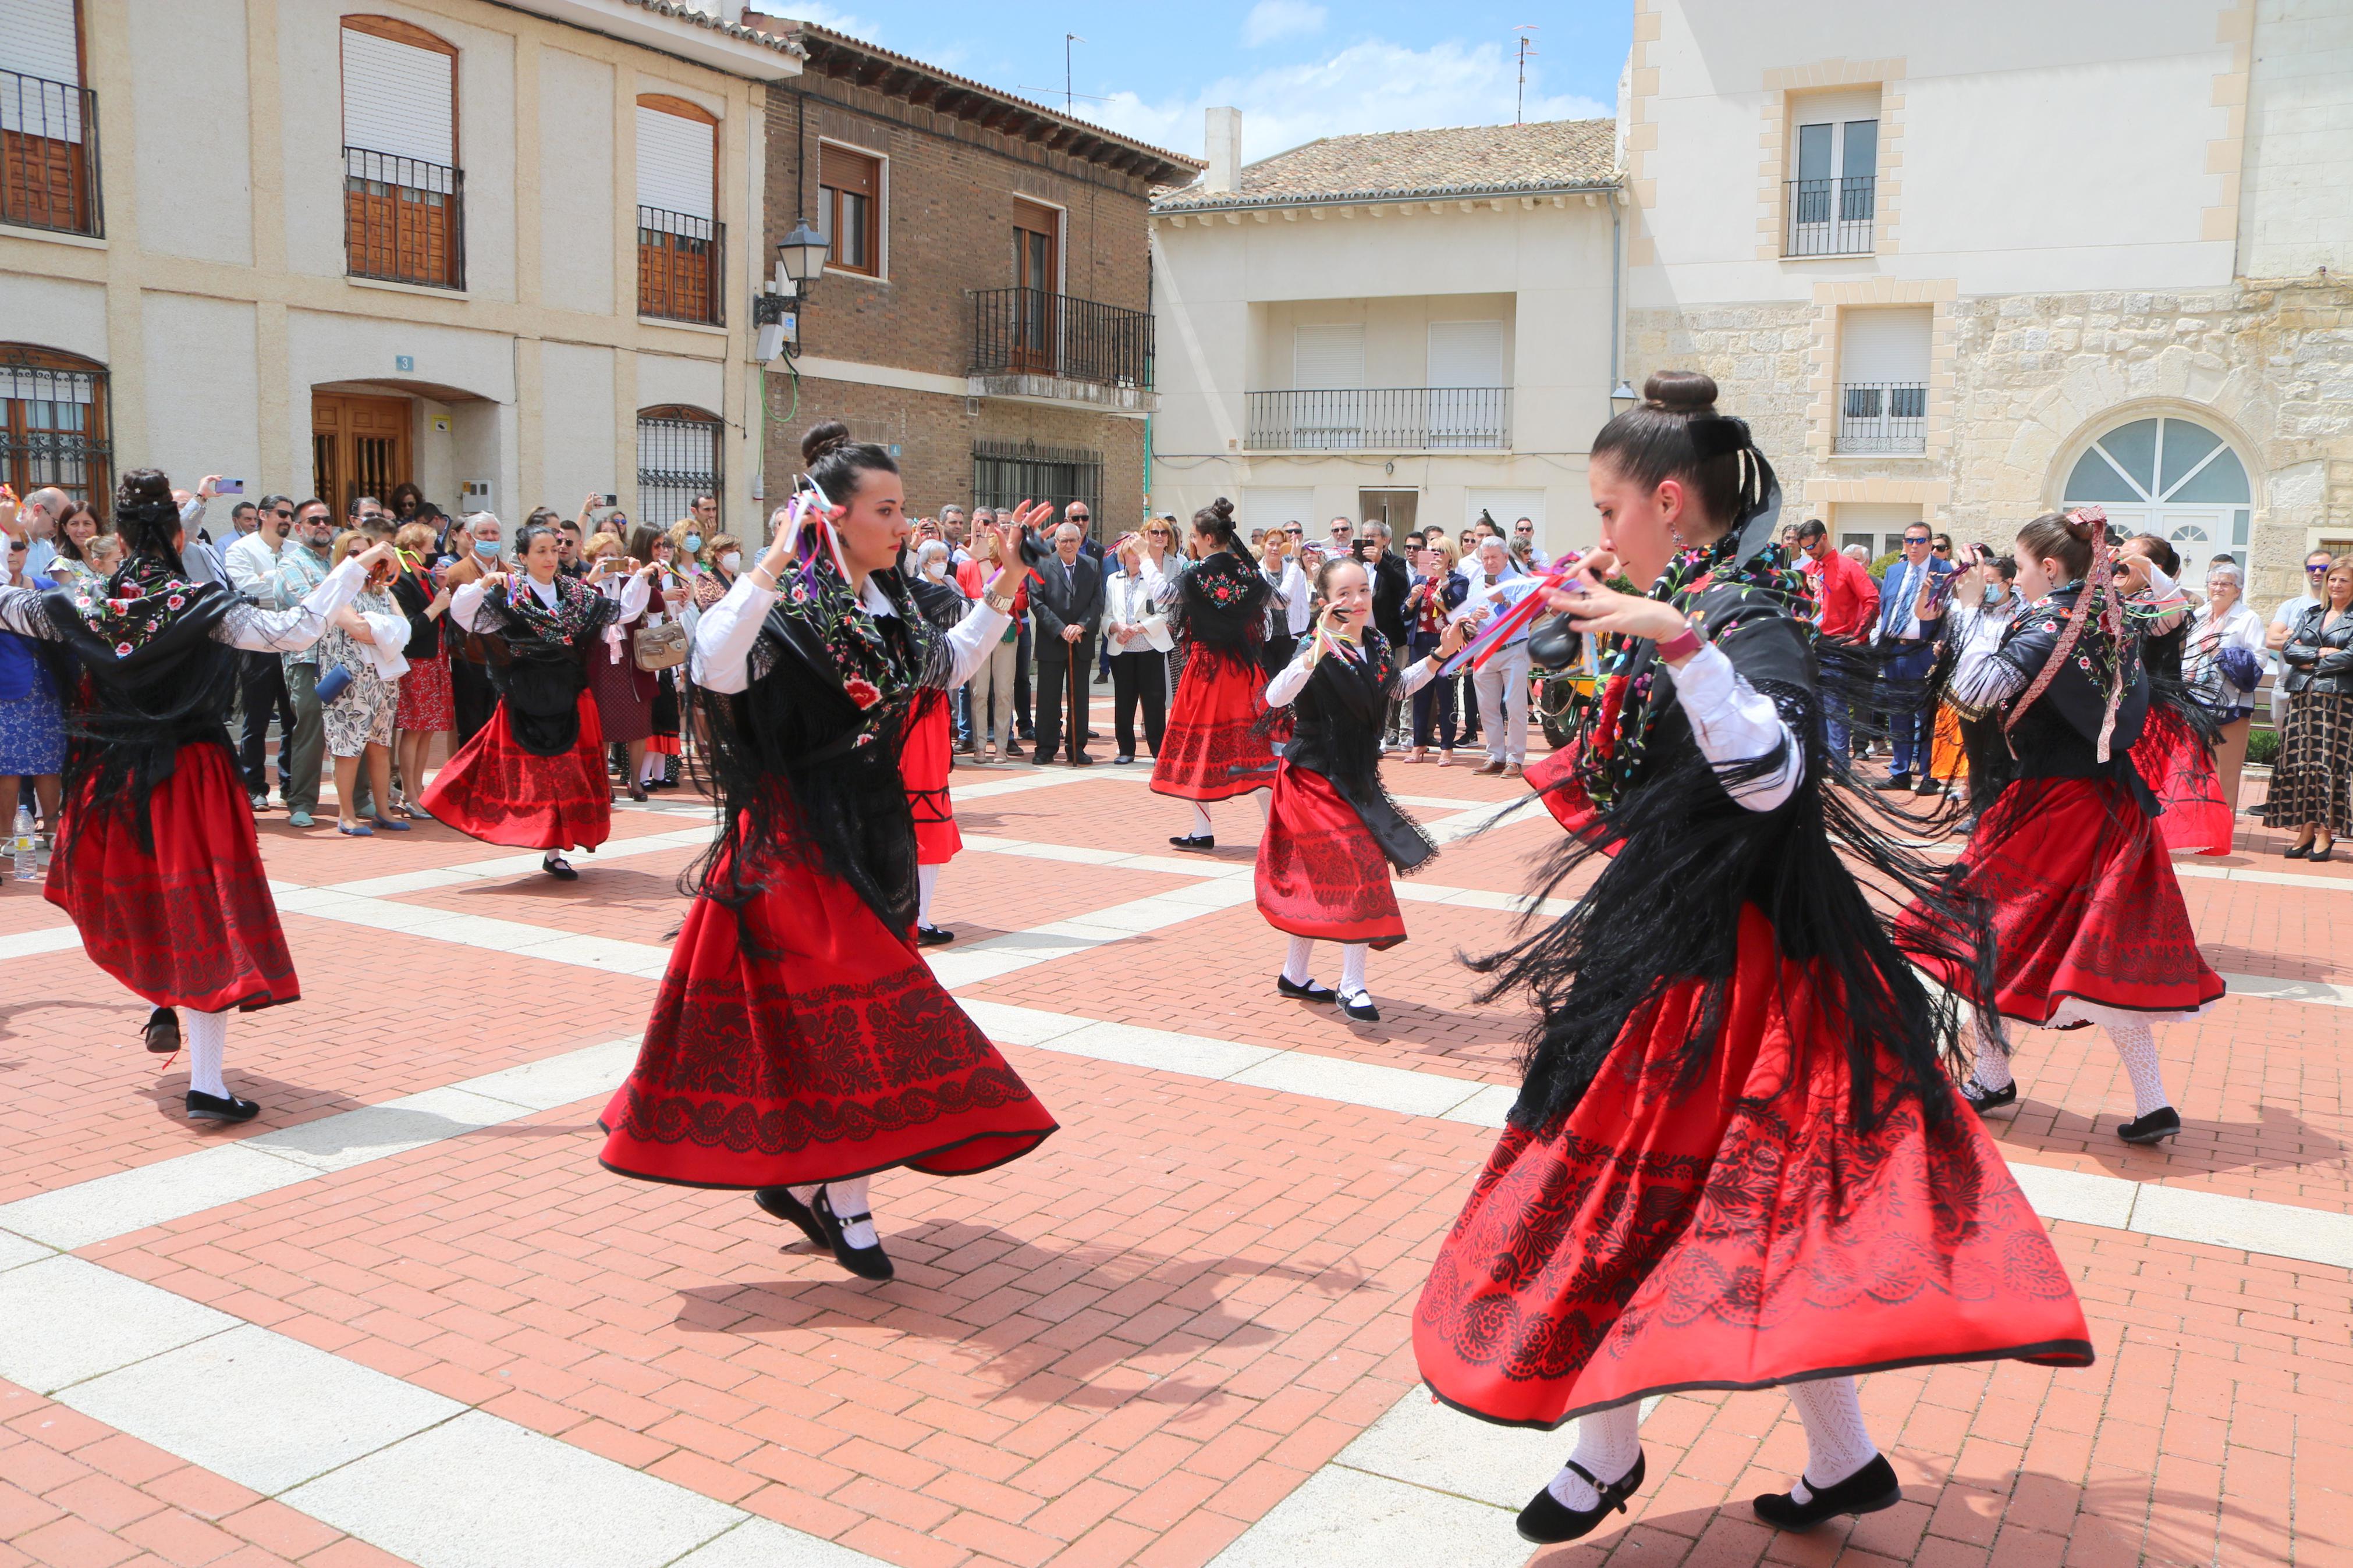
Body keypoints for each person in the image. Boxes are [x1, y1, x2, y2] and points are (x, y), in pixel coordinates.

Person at [1415, 374, 2091, 1545]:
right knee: (1736, 1210)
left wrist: (1674, 639)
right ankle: (1839, 1458)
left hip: (1737, 970)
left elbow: (1776, 773)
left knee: (1651, 1200)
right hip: (1676, 942)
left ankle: (1606, 1455)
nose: (1596, 532)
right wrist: (1636, 622)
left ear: (1668, 502)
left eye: (1607, 508)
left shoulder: (1739, 619)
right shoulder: (1685, 597)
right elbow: (1633, 767)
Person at [599, 424, 1059, 1282]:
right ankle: (846, 1203)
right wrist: (768, 563)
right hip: (795, 848)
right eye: (885, 510)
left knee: (837, 1028)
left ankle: (808, 1179)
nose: (902, 523)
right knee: (858, 1022)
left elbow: (948, 666)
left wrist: (1006, 578)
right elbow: (712, 665)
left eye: (901, 507)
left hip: (873, 828)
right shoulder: (790, 607)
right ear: (834, 517)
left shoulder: (887, 607)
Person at [0, 470, 393, 1119]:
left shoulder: (84, 600)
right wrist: (353, 570)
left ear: (119, 536)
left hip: (111, 783)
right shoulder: (203, 605)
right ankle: (207, 1083)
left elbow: (6, 603)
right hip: (192, 779)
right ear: (180, 535)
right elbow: (293, 630)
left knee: (151, 906)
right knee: (208, 920)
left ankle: (163, 1004)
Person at [1902, 508, 2226, 1144]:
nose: (2013, 578)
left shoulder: (2045, 624)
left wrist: (1976, 616)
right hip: (2113, 805)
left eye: (2020, 567)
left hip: (2049, 808)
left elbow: (1968, 692)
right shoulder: (2112, 615)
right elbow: (2171, 612)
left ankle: (1992, 1077)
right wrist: (2131, 570)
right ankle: (2139, 1099)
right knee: (2094, 957)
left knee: (1980, 936)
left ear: (2048, 567)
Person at [1259, 557, 1467, 1021]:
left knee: (1327, 873)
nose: (1355, 602)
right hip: (1312, 776)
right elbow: (1275, 698)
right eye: (1344, 594)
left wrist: (1440, 653)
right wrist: (1317, 643)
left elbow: (1397, 687)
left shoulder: (1372, 642)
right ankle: (1352, 985)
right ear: (1323, 601)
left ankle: (1295, 975)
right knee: (1360, 866)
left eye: (1363, 593)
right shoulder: (1311, 645)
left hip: (1353, 776)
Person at [422, 521, 645, 879]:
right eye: (541, 551)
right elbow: (466, 619)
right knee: (532, 774)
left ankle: (556, 850)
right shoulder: (511, 594)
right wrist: (481, 585)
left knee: (568, 774)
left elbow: (619, 614)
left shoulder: (575, 591)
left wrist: (640, 579)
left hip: (570, 692)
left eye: (554, 551)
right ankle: (539, 839)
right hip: (526, 694)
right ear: (523, 557)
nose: (550, 558)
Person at [1155, 499, 1280, 849]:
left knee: (1199, 745)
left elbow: (1165, 597)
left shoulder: (1196, 573)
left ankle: (1203, 830)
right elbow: (1281, 602)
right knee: (1255, 748)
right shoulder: (1245, 573)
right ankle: (1274, 831)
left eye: (1194, 536)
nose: (1191, 541)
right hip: (1244, 671)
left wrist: (1152, 562)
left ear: (1209, 538)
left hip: (1207, 669)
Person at [2115, 534, 2230, 856]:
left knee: (2143, 795)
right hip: (2107, 713)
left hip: (2148, 717)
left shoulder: (2164, 608)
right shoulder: (2109, 601)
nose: (2122, 563)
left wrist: (2146, 567)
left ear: (2156, 568)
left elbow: (2174, 602)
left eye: (2131, 559)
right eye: (2120, 556)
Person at [315, 530, 412, 837]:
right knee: (347, 748)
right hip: (348, 681)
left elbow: (405, 629)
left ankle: (383, 810)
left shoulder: (384, 591)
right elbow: (357, 628)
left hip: (382, 680)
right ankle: (346, 815)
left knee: (381, 747)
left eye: (367, 553)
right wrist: (384, 628)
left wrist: (379, 626)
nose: (363, 560)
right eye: (354, 554)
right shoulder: (334, 590)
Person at [2259, 556, 2353, 861]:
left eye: (2343, 580)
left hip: (2337, 703)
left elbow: (2350, 657)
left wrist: (2311, 660)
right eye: (2332, 579)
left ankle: (2326, 831)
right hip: (2303, 698)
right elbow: (2288, 649)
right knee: (2303, 764)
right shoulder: (2312, 614)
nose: (2336, 585)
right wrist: (2321, 653)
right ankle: (2306, 828)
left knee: (2329, 764)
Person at [1871, 522, 1954, 795]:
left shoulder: (1944, 571)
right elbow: (1886, 609)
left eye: (1920, 541)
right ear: (1904, 543)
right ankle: (1900, 772)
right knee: (1899, 715)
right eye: (1909, 541)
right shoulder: (1894, 571)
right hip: (1895, 651)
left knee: (1927, 715)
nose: (1914, 546)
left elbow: (1950, 615)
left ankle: (1930, 775)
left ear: (1930, 543)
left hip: (1925, 651)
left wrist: (1942, 647)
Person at [576, 531, 659, 799]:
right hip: (598, 661)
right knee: (600, 727)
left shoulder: (630, 581)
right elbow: (577, 613)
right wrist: (591, 580)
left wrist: (641, 574)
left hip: (631, 661)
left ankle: (635, 781)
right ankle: (603, 784)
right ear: (591, 559)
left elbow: (656, 603)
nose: (609, 560)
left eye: (614, 555)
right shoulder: (585, 585)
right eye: (603, 556)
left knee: (638, 726)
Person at [224, 496, 296, 808]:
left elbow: (309, 589)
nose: (288, 520)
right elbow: (249, 590)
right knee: (257, 718)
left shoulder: (296, 551)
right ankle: (253, 786)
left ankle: (292, 784)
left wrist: (271, 582)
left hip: (296, 639)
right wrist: (288, 587)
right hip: (259, 642)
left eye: (291, 516)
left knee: (296, 717)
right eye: (282, 514)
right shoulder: (241, 549)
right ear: (264, 515)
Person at [269, 499, 338, 827]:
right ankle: (301, 802)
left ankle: (360, 797)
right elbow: (311, 604)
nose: (322, 525)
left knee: (355, 722)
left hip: (346, 657)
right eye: (313, 521)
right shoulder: (290, 564)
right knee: (310, 726)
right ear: (298, 528)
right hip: (307, 657)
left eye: (326, 520)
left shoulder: (343, 559)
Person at [2184, 559, 2266, 822]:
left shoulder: (2247, 619)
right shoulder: (2197, 615)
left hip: (2231, 703)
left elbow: (2260, 659)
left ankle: (2222, 827)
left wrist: (2221, 654)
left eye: (2226, 584)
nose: (2218, 588)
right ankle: (2196, 824)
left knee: (2226, 771)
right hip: (2195, 700)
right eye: (2214, 583)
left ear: (2238, 590)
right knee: (2196, 766)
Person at [1794, 518, 1879, 765]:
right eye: (1805, 549)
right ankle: (1820, 762)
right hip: (1813, 644)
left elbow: (1872, 600)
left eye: (1811, 546)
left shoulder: (1849, 567)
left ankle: (1841, 763)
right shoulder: (1809, 570)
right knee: (1816, 705)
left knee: (1834, 706)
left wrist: (1859, 635)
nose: (1809, 552)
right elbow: (1798, 607)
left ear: (1824, 538)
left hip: (1839, 645)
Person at [388, 521, 454, 819]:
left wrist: (441, 592)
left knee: (428, 730)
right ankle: (409, 794)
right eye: (429, 548)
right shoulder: (400, 581)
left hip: (435, 657)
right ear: (413, 549)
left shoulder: (425, 579)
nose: (433, 554)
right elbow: (410, 628)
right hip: (417, 662)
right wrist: (437, 605)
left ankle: (418, 789)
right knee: (414, 730)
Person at [0, 533, 63, 840]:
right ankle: (4, 836)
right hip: (6, 689)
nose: (12, 552)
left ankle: (53, 831)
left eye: (18, 546)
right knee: (6, 765)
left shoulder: (49, 588)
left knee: (48, 763)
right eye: (6, 547)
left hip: (47, 688)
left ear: (27, 552)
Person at [1461, 536, 1538, 778]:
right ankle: (1496, 756)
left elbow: (1524, 618)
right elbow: (1464, 614)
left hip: (1513, 649)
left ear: (1506, 557)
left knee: (1515, 708)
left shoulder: (1518, 582)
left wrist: (1502, 601)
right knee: (1487, 708)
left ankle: (1515, 759)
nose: (1489, 562)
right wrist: (1473, 615)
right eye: (1485, 558)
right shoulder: (1476, 582)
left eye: (1494, 557)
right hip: (1485, 651)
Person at [1030, 521, 1102, 766]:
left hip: (1081, 641)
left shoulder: (1091, 566)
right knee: (1048, 699)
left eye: (1074, 540)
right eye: (1064, 541)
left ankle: (1076, 747)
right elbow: (1037, 603)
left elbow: (1097, 601)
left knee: (1079, 699)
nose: (1069, 544)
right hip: (1052, 641)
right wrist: (1061, 629)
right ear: (1056, 543)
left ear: (1080, 542)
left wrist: (1081, 625)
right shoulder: (1042, 565)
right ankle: (1046, 748)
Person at [954, 520, 1024, 763]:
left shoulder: (1012, 569)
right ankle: (980, 746)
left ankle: (1002, 747)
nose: (997, 560)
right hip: (978, 638)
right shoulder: (965, 569)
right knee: (978, 691)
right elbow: (960, 603)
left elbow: (1020, 602)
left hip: (1006, 637)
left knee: (1004, 692)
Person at [1401, 534, 1470, 764]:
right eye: (1432, 552)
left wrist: (1444, 580)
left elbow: (1456, 606)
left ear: (1451, 556)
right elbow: (1406, 614)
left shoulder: (1459, 581)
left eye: (1440, 552)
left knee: (1446, 695)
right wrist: (1411, 600)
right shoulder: (1420, 579)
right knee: (1420, 695)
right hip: (1420, 642)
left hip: (1445, 642)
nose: (1435, 556)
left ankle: (1447, 746)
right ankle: (1418, 744)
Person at [1103, 534, 1172, 762]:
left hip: (1149, 647)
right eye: (1130, 552)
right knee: (1124, 699)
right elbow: (1106, 615)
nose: (1135, 557)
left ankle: (1157, 749)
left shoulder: (1155, 578)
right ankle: (1125, 749)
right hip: (1122, 648)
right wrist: (1115, 627)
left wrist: (1141, 627)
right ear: (1123, 556)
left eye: (1137, 552)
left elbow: (1165, 614)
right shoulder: (1114, 580)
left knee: (1154, 699)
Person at [2267, 547, 2337, 734]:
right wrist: (2309, 643)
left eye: (2324, 567)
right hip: (2285, 684)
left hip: (2324, 684)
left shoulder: (2340, 609)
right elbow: (2271, 639)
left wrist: (2296, 640)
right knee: (2286, 746)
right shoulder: (2291, 606)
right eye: (2311, 568)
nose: (2317, 572)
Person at [1259, 524, 1310, 672]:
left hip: (1290, 636)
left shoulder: (1297, 572)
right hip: (1265, 639)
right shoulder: (1256, 572)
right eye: (1271, 544)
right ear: (1264, 546)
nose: (1275, 548)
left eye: (1280, 545)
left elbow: (1303, 606)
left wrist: (1300, 633)